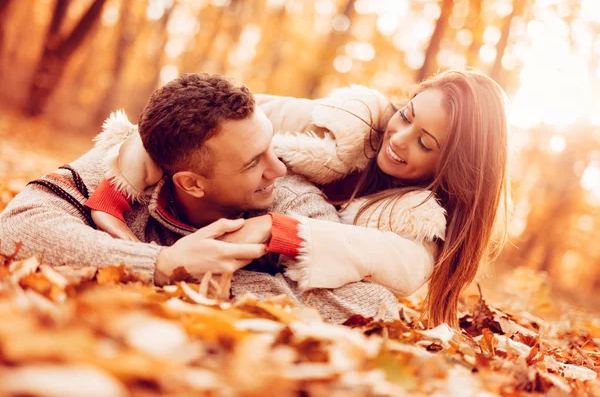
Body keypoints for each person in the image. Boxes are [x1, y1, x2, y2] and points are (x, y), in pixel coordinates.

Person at [0, 73, 438, 323]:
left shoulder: (292, 197)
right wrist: (162, 264)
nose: (280, 167)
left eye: (272, 146)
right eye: (253, 162)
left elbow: (374, 304)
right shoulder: (127, 166)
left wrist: (215, 280)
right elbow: (18, 225)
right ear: (190, 182)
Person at [89, 69, 509, 327]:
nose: (398, 139)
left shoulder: (417, 219)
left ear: (452, 167)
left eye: (425, 142)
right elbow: (193, 117)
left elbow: (395, 275)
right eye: (407, 114)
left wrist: (278, 229)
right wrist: (114, 195)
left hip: (276, 256)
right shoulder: (344, 124)